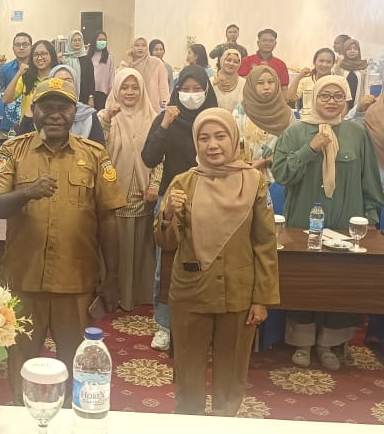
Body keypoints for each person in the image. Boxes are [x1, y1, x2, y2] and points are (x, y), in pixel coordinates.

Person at [0, 77, 123, 405]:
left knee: (77, 364)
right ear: (33, 110)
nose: (55, 114)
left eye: (63, 107)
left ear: (75, 112)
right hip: (24, 281)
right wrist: (27, 192)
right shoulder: (12, 151)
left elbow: (108, 218)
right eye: (47, 107)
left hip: (75, 283)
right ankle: (22, 417)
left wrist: (113, 278)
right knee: (21, 362)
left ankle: (71, 420)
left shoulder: (95, 154)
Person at [157, 107, 279, 416]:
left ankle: (226, 422)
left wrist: (261, 299)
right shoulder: (183, 182)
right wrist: (167, 214)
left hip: (238, 294)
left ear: (234, 138)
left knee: (232, 372)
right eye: (204, 138)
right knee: (188, 372)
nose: (212, 145)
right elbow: (166, 242)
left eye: (220, 136)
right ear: (195, 143)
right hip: (192, 292)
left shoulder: (254, 181)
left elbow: (265, 243)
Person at [272, 75, 383, 370]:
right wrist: (310, 149)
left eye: (338, 96)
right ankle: (302, 342)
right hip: (302, 222)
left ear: (346, 100)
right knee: (305, 283)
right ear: (314, 98)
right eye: (325, 95)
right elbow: (281, 174)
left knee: (339, 284)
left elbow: (369, 179)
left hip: (346, 223)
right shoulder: (296, 131)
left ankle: (329, 344)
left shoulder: (356, 133)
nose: (331, 102)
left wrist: (371, 217)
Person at [141, 65, 219, 350]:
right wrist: (164, 125)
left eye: (197, 89)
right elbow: (149, 158)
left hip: (212, 200)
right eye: (185, 89)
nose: (191, 94)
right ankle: (164, 325)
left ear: (207, 91)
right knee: (166, 266)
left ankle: (202, 324)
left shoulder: (216, 119)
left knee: (207, 264)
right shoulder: (167, 118)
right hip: (172, 199)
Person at [98, 68, 161, 311]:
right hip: (115, 189)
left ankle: (138, 293)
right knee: (116, 241)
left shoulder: (154, 117)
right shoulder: (106, 115)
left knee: (141, 243)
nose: (130, 92)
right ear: (116, 89)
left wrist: (155, 184)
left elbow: (161, 155)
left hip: (144, 191)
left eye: (135, 87)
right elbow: (98, 149)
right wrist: (107, 120)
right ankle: (115, 293)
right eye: (124, 87)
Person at [17, 65, 105, 144]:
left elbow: (99, 149)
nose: (63, 85)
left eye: (68, 81)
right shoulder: (39, 111)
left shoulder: (88, 115)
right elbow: (21, 144)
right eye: (57, 81)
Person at [233, 66, 294, 174]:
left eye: (271, 82)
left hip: (277, 174)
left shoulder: (287, 114)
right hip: (244, 172)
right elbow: (232, 141)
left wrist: (267, 161)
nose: (266, 87)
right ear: (251, 85)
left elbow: (293, 146)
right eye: (260, 83)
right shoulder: (241, 111)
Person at [3, 40, 59, 120]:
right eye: (35, 55)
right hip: (27, 125)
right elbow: (6, 99)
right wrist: (19, 74)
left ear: (52, 55)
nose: (39, 57)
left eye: (43, 53)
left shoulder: (58, 77)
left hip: (51, 124)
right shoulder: (26, 78)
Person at [0, 32, 33, 135]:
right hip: (9, 126)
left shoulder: (37, 68)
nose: (21, 47)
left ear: (31, 47)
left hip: (31, 125)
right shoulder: (6, 68)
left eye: (25, 44)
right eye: (17, 45)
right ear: (13, 49)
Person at [124, 36, 170, 109]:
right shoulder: (126, 64)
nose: (140, 48)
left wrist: (165, 106)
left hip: (152, 106)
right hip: (132, 106)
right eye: (137, 45)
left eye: (143, 45)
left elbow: (163, 86)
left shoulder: (156, 63)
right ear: (132, 47)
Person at [288, 48, 339, 113]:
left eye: (328, 62)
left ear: (333, 64)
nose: (324, 64)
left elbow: (343, 105)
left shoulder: (338, 82)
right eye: (321, 61)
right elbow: (290, 98)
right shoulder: (305, 81)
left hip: (329, 116)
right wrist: (299, 76)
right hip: (307, 117)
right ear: (314, 62)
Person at [62, 30, 96, 105]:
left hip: (84, 98)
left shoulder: (87, 59)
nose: (77, 42)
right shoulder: (64, 59)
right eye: (74, 40)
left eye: (79, 40)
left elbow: (91, 79)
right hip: (66, 96)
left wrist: (91, 98)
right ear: (70, 42)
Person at [333, 38, 370, 107]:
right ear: (344, 50)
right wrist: (339, 63)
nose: (352, 51)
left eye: (355, 49)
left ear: (359, 51)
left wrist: (366, 101)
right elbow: (334, 76)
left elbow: (366, 87)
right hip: (342, 101)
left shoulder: (364, 66)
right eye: (349, 49)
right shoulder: (341, 65)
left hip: (358, 101)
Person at [211, 47, 247, 111]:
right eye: (228, 60)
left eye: (235, 62)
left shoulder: (244, 84)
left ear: (239, 64)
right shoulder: (210, 82)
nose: (231, 63)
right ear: (222, 60)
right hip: (213, 117)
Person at [91, 30, 116, 109]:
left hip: (102, 93)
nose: (102, 42)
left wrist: (111, 92)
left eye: (104, 40)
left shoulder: (109, 56)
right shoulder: (88, 55)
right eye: (100, 40)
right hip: (90, 93)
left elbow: (112, 75)